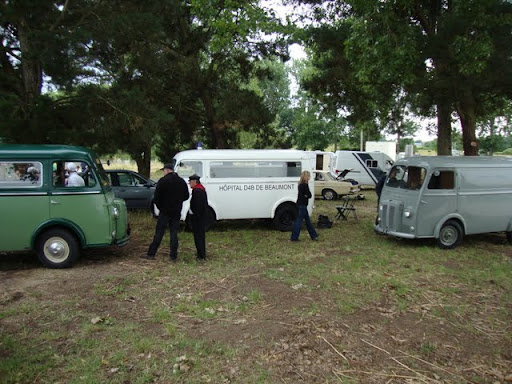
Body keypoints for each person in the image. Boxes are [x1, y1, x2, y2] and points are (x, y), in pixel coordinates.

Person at [144, 163, 189, 262]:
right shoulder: (181, 181)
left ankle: (151, 254)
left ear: (167, 170)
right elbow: (186, 196)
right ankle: (173, 256)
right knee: (174, 233)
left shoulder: (162, 181)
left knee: (159, 232)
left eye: (164, 170)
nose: (163, 172)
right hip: (176, 211)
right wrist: (178, 203)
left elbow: (156, 198)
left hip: (164, 211)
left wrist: (161, 207)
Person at [291, 170, 319, 242]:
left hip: (300, 204)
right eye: (308, 176)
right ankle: (294, 237)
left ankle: (314, 235)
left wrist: (306, 195)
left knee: (307, 221)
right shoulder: (305, 185)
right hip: (303, 205)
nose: (309, 177)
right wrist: (306, 195)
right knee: (300, 221)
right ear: (306, 177)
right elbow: (309, 195)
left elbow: (306, 195)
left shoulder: (300, 184)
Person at [188, 174, 208, 261]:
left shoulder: (197, 191)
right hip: (201, 217)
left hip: (198, 218)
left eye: (190, 182)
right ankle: (201, 253)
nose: (189, 184)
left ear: (194, 182)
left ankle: (201, 255)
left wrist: (195, 215)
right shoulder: (201, 189)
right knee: (200, 236)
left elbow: (197, 206)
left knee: (198, 236)